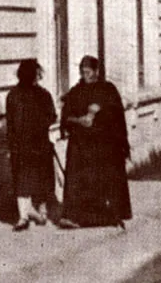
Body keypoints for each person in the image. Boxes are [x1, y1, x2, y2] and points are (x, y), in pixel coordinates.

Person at [59, 55, 132, 229]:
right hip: (81, 146)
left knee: (105, 179)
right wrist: (80, 120)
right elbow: (65, 118)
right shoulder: (76, 92)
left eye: (89, 72)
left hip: (104, 145)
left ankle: (109, 215)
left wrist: (101, 111)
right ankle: (77, 218)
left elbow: (117, 116)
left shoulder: (107, 90)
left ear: (97, 71)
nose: (86, 76)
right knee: (80, 180)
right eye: (83, 72)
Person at [5, 59, 57, 231]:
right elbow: (52, 117)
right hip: (39, 144)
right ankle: (41, 213)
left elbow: (11, 124)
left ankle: (23, 217)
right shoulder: (43, 95)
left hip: (20, 146)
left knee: (22, 181)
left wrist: (10, 146)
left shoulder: (12, 95)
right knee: (42, 178)